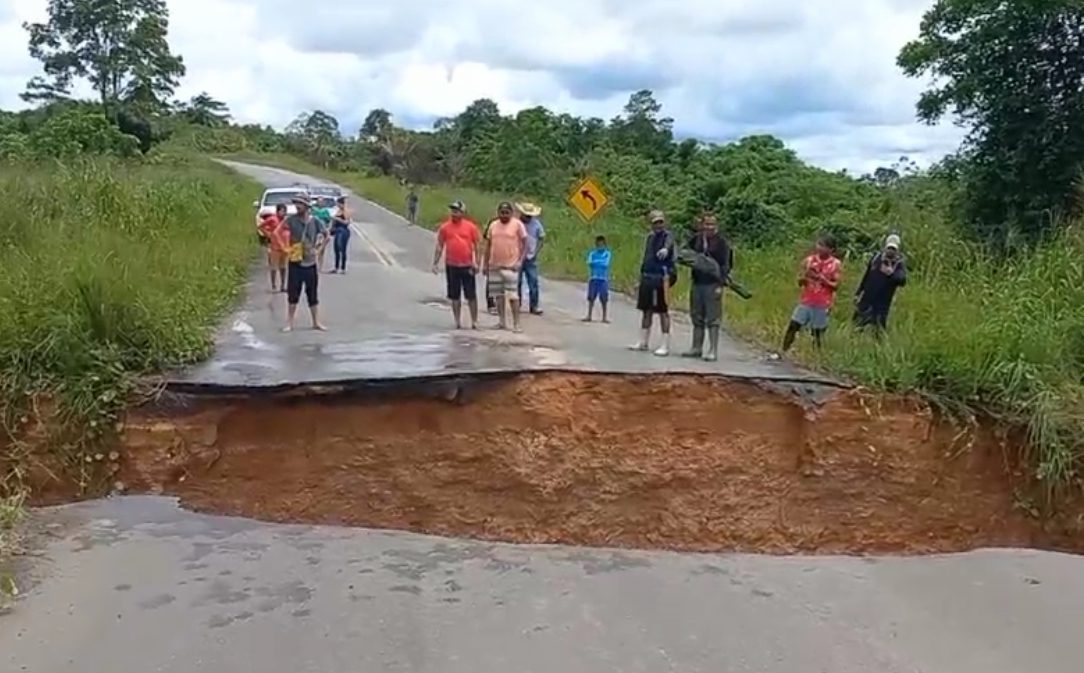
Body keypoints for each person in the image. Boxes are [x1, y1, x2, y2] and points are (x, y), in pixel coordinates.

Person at [683, 213, 731, 361]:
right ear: (702, 225)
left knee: (713, 318)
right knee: (697, 316)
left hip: (713, 283)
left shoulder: (721, 243)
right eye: (707, 224)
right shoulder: (697, 239)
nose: (709, 227)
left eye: (712, 224)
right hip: (697, 282)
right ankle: (696, 347)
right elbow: (684, 252)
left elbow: (726, 265)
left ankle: (712, 350)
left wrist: (720, 284)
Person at [780, 235, 841, 353]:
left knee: (817, 332)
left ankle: (816, 356)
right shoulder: (809, 260)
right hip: (806, 300)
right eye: (819, 244)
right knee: (794, 325)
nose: (819, 248)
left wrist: (822, 279)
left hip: (823, 302)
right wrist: (805, 278)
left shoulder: (835, 264)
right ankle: (784, 351)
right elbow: (799, 280)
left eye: (823, 246)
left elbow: (836, 286)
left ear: (831, 250)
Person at [630, 210, 676, 356]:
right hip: (648, 276)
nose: (658, 225)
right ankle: (643, 341)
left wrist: (665, 249)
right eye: (655, 222)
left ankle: (665, 344)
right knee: (646, 310)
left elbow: (669, 243)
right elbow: (646, 258)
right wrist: (640, 278)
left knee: (663, 311)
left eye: (661, 222)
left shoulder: (668, 236)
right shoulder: (650, 238)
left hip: (662, 277)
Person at [432, 200, 481, 329]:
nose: (454, 213)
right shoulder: (445, 227)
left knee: (471, 295)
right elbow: (440, 246)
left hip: (467, 264)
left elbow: (477, 246)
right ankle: (457, 320)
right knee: (454, 295)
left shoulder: (470, 227)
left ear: (462, 213)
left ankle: (474, 320)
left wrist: (477, 262)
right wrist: (435, 263)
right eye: (452, 211)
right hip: (452, 264)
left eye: (456, 211)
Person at [283, 194, 328, 332]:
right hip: (295, 261)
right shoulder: (290, 220)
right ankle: (289, 322)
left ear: (306, 206)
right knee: (293, 293)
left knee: (312, 293)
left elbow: (327, 235)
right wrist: (285, 248)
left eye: (300, 204)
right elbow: (277, 232)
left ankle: (316, 322)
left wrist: (318, 250)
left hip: (310, 262)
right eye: (296, 203)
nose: (297, 206)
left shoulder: (315, 221)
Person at [483, 201, 528, 332]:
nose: (504, 215)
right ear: (498, 213)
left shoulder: (517, 224)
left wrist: (520, 261)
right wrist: (485, 264)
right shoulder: (493, 225)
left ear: (511, 213)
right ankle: (502, 322)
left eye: (507, 213)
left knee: (513, 297)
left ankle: (516, 324)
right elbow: (488, 245)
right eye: (502, 213)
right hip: (495, 265)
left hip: (511, 266)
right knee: (498, 295)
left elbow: (525, 244)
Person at [853, 234, 907, 333]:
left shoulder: (899, 264)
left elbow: (902, 280)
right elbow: (866, 276)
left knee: (878, 328)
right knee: (857, 324)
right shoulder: (876, 258)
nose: (891, 251)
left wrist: (892, 274)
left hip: (883, 302)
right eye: (889, 248)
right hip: (867, 297)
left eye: (893, 249)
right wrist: (858, 293)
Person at [515, 202, 545, 315]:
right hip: (517, 256)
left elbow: (542, 238)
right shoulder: (516, 223)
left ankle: (534, 305)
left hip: (530, 257)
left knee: (533, 281)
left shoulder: (536, 224)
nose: (528, 217)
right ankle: (517, 305)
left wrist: (536, 251)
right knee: (517, 282)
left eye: (529, 215)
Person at [258, 204, 289, 292]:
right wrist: (269, 234)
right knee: (274, 267)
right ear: (277, 211)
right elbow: (261, 226)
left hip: (284, 246)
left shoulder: (285, 220)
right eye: (281, 211)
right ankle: (274, 285)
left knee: (283, 267)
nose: (283, 213)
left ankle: (283, 285)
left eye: (284, 211)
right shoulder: (272, 219)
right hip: (275, 247)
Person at [583, 235, 611, 323]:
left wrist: (596, 262)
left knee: (604, 299)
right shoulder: (593, 253)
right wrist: (598, 262)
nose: (600, 246)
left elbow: (605, 264)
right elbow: (589, 262)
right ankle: (589, 315)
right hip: (593, 278)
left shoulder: (607, 253)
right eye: (598, 244)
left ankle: (604, 317)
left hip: (603, 279)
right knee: (591, 298)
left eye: (602, 244)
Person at [310, 196, 333, 272]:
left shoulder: (325, 211)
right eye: (319, 201)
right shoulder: (313, 210)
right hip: (314, 231)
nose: (320, 203)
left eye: (322, 201)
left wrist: (328, 229)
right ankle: (312, 264)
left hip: (322, 231)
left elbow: (328, 221)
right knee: (313, 248)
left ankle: (320, 266)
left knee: (322, 249)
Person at [330, 195, 351, 274]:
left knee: (342, 249)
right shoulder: (338, 211)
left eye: (338, 204)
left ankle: (343, 268)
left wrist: (337, 219)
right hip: (337, 231)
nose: (337, 205)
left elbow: (347, 222)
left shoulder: (346, 211)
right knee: (336, 249)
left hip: (343, 231)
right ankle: (336, 267)